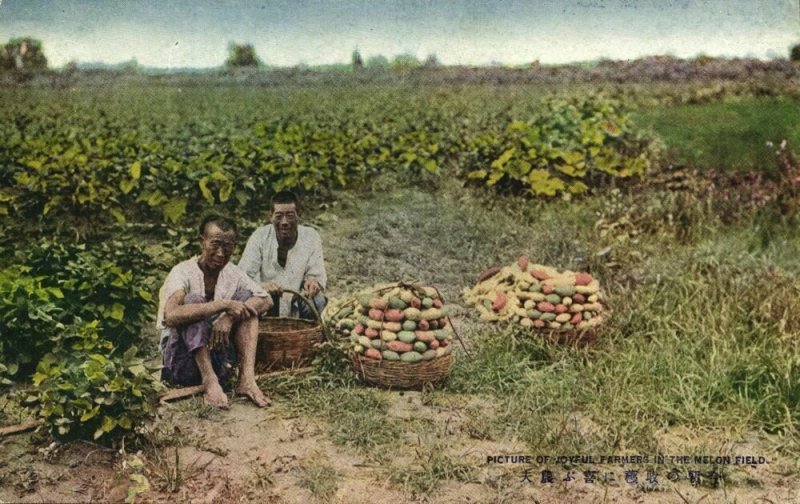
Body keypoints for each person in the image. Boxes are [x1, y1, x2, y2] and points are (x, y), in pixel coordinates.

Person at [157, 214, 272, 409]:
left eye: (228, 246)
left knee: (246, 301)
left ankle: (247, 380)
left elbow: (266, 299)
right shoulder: (182, 271)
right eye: (215, 244)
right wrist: (222, 305)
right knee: (193, 301)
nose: (220, 253)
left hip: (220, 359)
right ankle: (209, 381)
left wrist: (228, 317)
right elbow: (171, 315)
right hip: (182, 363)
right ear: (202, 241)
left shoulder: (232, 273)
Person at [238, 191, 327, 319]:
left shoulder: (310, 236)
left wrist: (313, 282)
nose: (284, 222)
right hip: (267, 301)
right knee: (252, 297)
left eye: (290, 216)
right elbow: (243, 276)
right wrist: (261, 286)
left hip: (297, 300)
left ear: (299, 215)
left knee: (317, 300)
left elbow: (316, 272)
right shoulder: (260, 236)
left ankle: (305, 333)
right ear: (271, 216)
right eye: (279, 216)